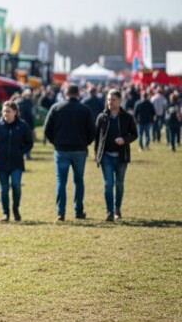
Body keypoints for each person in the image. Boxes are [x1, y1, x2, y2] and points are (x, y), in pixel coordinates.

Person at [44, 84, 95, 221]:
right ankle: (78, 211)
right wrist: (86, 143)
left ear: (65, 93)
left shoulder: (56, 108)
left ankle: (61, 212)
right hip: (79, 149)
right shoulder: (85, 109)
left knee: (61, 181)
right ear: (78, 94)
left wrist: (55, 142)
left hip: (61, 149)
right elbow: (92, 131)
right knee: (78, 181)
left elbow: (47, 130)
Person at [0, 101, 34, 222]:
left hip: (16, 162)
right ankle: (5, 213)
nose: (5, 113)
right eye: (4, 111)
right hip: (1, 162)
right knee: (4, 188)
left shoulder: (22, 125)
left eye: (8, 111)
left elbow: (29, 143)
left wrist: (21, 152)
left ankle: (15, 209)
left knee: (16, 186)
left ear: (15, 112)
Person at [94, 89, 138, 222]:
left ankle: (117, 208)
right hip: (106, 156)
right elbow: (97, 137)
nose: (110, 102)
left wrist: (124, 140)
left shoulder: (127, 117)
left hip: (121, 156)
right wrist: (97, 155)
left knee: (119, 184)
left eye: (113, 100)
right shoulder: (102, 117)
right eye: (108, 99)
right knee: (108, 184)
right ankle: (109, 212)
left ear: (120, 100)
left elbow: (134, 134)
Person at [15, 89, 36, 160]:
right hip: (28, 124)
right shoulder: (30, 103)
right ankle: (26, 155)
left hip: (19, 123)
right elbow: (32, 115)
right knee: (28, 140)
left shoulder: (18, 102)